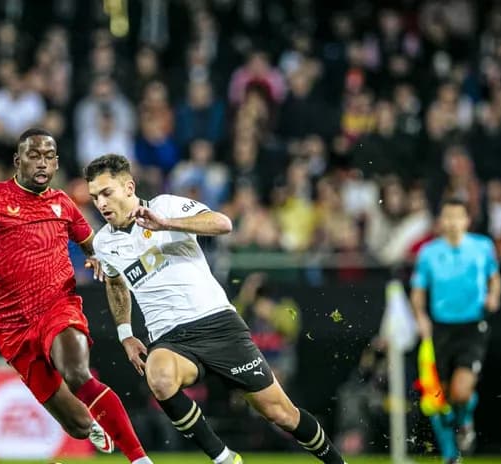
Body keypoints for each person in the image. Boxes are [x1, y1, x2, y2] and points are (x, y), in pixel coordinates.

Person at [85, 154, 347, 464]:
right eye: (95, 197)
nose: (101, 203)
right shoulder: (103, 243)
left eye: (106, 193)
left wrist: (166, 224)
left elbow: (223, 223)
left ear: (129, 188)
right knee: (159, 376)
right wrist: (126, 334)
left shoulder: (165, 206)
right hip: (171, 339)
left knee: (281, 414)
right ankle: (224, 458)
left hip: (217, 324)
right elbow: (115, 283)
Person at [0, 129, 152, 464]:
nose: (42, 163)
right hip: (12, 329)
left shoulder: (63, 204)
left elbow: (94, 244)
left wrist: (98, 256)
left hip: (57, 307)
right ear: (18, 160)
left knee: (77, 373)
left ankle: (139, 459)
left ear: (57, 163)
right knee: (78, 427)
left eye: (49, 156)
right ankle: (92, 424)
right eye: (34, 156)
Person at [410, 198, 501, 463]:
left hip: (472, 326)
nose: (451, 223)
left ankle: (465, 421)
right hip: (440, 329)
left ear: (466, 220)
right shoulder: (428, 252)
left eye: (457, 217)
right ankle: (451, 455)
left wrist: (494, 296)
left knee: (461, 392)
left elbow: (495, 278)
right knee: (439, 397)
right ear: (441, 221)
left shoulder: (482, 247)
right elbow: (418, 290)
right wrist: (420, 316)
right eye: (447, 217)